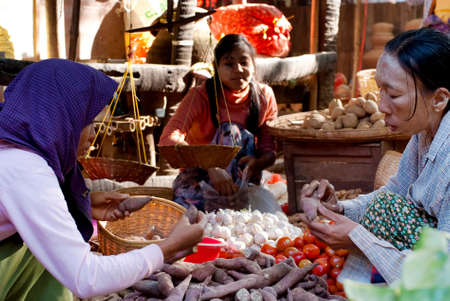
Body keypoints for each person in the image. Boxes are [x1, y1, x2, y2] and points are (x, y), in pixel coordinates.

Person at [0, 59, 206, 300]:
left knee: (51, 250)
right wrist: (167, 249)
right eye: (90, 123)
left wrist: (84, 205)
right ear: (63, 119)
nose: (94, 138)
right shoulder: (23, 168)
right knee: (57, 257)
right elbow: (85, 277)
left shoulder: (13, 149)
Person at [298, 28, 449, 284]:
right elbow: (395, 196)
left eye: (394, 95)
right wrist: (339, 209)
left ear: (439, 99)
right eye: (381, 91)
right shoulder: (424, 134)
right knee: (386, 206)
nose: (381, 106)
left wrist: (361, 239)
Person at [159, 34, 280, 213]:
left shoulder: (264, 96)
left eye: (244, 62)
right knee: (187, 222)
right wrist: (211, 167)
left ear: (254, 65)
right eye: (229, 64)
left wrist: (256, 163)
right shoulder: (200, 96)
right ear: (217, 67)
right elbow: (168, 139)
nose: (238, 69)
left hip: (240, 190)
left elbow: (269, 149)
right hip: (198, 182)